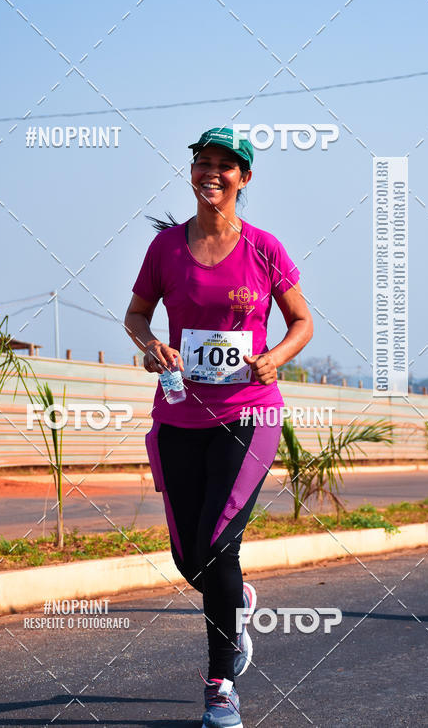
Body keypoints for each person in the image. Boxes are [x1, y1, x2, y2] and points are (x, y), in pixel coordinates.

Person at [124, 127, 313, 728]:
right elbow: (135, 315)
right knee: (189, 558)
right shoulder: (167, 250)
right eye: (202, 163)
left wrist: (275, 357)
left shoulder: (264, 248)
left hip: (248, 413)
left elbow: (303, 321)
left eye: (224, 167)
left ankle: (221, 684)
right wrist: (152, 344)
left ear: (244, 179)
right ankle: (237, 598)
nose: (212, 173)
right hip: (178, 413)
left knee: (217, 546)